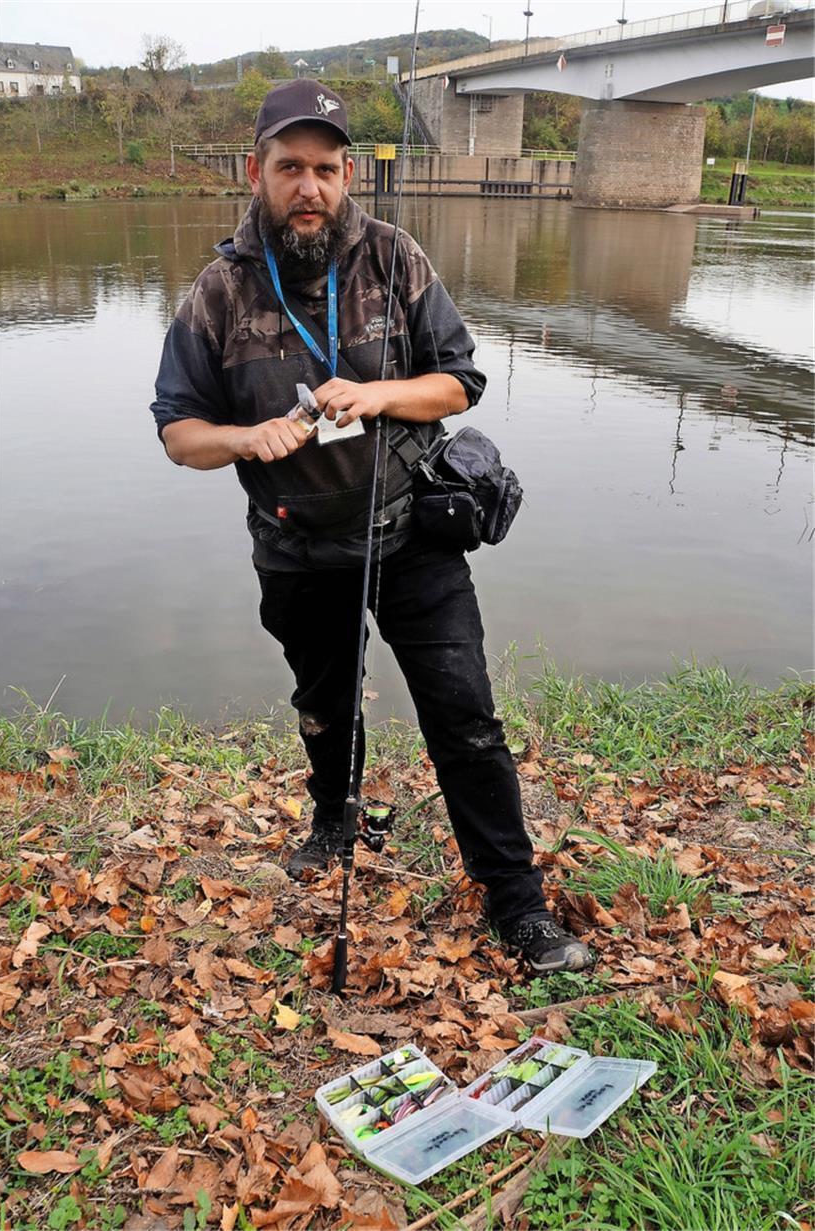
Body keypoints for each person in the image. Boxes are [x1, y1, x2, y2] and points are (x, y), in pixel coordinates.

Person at [150, 79, 592, 975]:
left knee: (465, 717)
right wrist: (246, 436)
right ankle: (335, 815)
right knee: (323, 705)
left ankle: (519, 905)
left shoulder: (396, 257)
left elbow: (461, 381)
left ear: (348, 174)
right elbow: (176, 431)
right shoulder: (217, 291)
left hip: (411, 534)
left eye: (326, 168)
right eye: (290, 168)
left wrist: (382, 392)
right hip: (296, 545)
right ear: (257, 170)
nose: (309, 187)